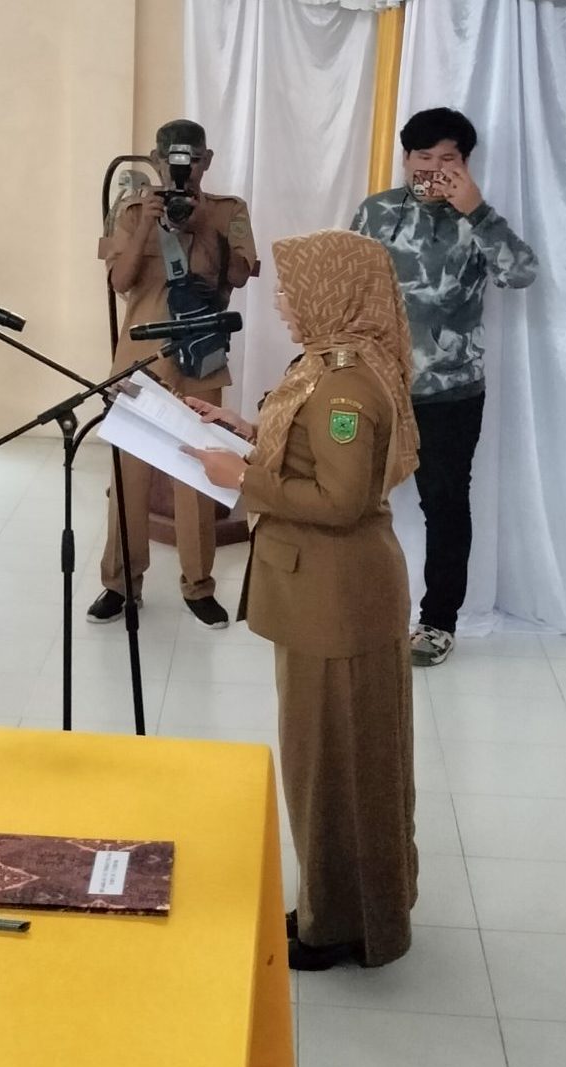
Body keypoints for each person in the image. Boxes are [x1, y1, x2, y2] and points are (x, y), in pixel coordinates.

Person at [183, 229, 420, 970]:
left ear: (333, 293)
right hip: (326, 592)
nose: (282, 301)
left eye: (292, 289)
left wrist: (240, 475)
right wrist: (246, 434)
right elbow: (313, 453)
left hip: (336, 599)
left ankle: (341, 923)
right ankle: (337, 900)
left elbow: (341, 499)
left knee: (335, 767)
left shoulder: (346, 384)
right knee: (337, 763)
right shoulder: (329, 364)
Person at [351, 107, 536, 666]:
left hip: (452, 393)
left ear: (465, 165)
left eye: (448, 159)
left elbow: (521, 272)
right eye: (424, 157)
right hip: (375, 385)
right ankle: (355, 606)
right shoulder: (377, 212)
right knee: (353, 497)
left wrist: (475, 209)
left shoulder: (475, 220)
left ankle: (437, 622)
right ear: (406, 160)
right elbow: (349, 287)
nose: (434, 169)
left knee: (446, 505)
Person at [88, 118, 257, 630]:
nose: (182, 169)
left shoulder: (229, 211)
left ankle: (198, 584)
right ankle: (120, 584)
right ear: (157, 161)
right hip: (138, 362)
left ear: (205, 161)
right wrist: (148, 224)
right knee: (128, 479)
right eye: (171, 160)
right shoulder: (134, 210)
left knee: (198, 479)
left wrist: (201, 224)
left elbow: (240, 276)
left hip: (201, 357)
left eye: (192, 160)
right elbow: (120, 282)